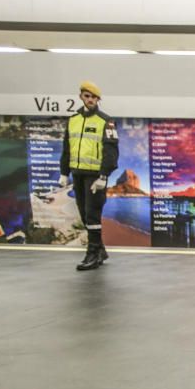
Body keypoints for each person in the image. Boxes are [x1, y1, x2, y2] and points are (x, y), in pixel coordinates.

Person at [58, 81, 119, 270]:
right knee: (84, 215)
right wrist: (64, 172)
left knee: (92, 215)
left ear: (98, 99)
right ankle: (100, 250)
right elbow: (67, 148)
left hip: (94, 177)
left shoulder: (105, 121)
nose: (90, 100)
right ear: (81, 97)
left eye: (94, 97)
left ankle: (92, 254)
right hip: (77, 174)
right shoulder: (73, 119)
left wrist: (104, 176)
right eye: (87, 96)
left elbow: (111, 151)